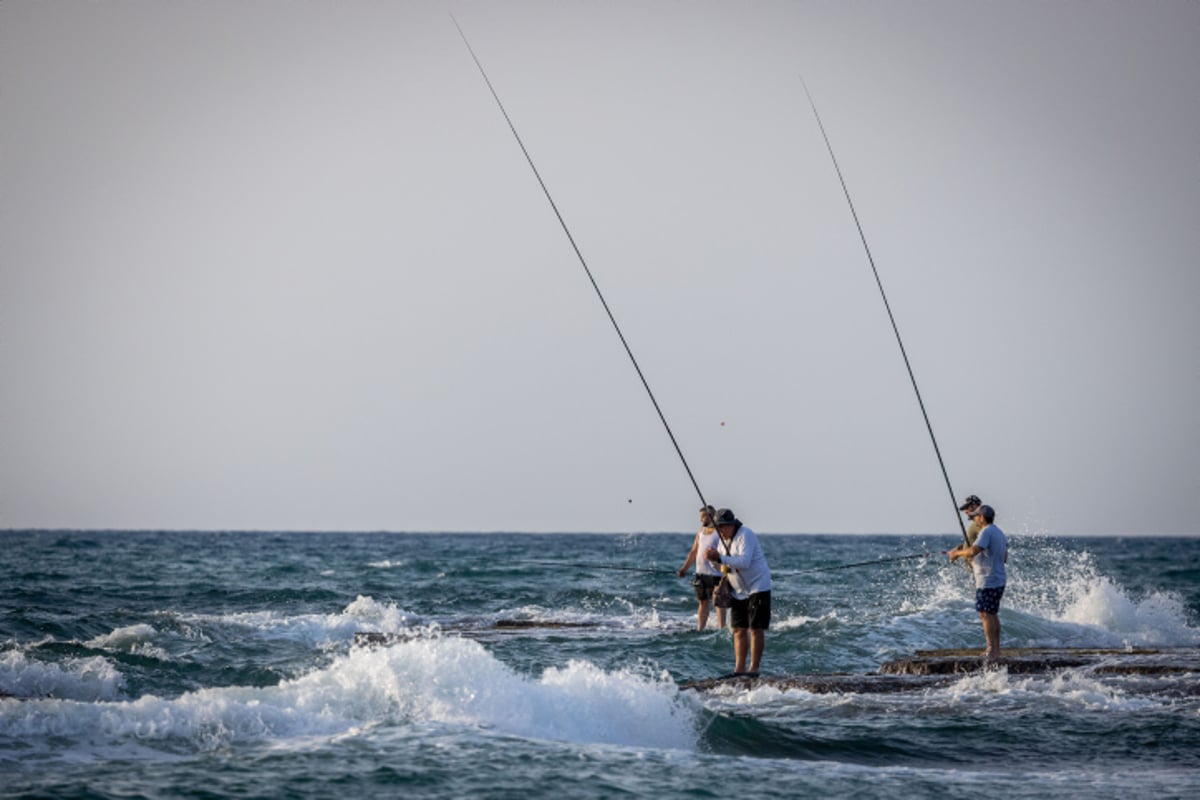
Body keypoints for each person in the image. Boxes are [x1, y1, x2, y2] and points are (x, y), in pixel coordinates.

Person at [704, 507, 771, 676]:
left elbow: (744, 562)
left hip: (758, 586)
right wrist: (712, 560)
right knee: (738, 629)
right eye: (717, 528)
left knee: (756, 628)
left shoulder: (745, 535)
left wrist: (720, 558)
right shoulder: (722, 541)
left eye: (722, 527)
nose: (720, 531)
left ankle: (753, 669)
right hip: (738, 590)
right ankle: (739, 669)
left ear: (732, 525)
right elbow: (722, 567)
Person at [948, 504, 1008, 658]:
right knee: (992, 613)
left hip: (988, 580)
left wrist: (956, 554)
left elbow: (973, 550)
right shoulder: (999, 533)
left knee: (985, 614)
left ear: (982, 517)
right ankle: (996, 649)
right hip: (998, 579)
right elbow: (1004, 557)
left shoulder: (986, 532)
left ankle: (990, 649)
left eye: (975, 516)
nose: (973, 519)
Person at [677, 505, 726, 631]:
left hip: (716, 574)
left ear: (710, 516)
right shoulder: (701, 531)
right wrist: (684, 569)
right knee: (703, 602)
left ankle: (722, 629)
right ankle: (701, 628)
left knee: (718, 602)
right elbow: (694, 552)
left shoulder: (720, 532)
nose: (700, 520)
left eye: (702, 517)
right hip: (701, 573)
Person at [957, 494, 985, 570]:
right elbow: (978, 541)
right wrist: (962, 547)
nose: (965, 511)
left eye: (967, 508)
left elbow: (985, 544)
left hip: (979, 569)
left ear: (974, 506)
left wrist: (956, 554)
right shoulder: (975, 525)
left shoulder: (980, 525)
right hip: (974, 569)